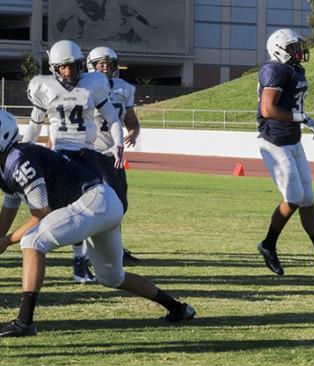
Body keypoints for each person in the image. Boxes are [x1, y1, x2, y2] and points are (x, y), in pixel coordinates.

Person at [0, 110, 194, 338]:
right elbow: (10, 204)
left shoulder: (19, 159)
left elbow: (41, 214)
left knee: (32, 241)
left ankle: (24, 322)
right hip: (101, 203)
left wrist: (5, 241)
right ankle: (178, 308)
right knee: (112, 277)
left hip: (93, 201)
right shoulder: (9, 162)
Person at [23, 39, 127, 283]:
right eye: (63, 67)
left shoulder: (94, 84)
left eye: (72, 66)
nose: (68, 72)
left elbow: (112, 118)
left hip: (87, 154)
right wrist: (23, 150)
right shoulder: (44, 87)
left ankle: (83, 262)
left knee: (92, 209)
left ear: (81, 65)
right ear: (54, 69)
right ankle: (71, 259)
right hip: (60, 156)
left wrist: (119, 143)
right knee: (64, 211)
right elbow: (34, 126)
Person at [255, 28, 314, 276]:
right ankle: (268, 244)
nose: (299, 52)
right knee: (294, 197)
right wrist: (301, 117)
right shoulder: (274, 69)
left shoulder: (294, 70)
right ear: (279, 49)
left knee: (308, 200)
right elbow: (268, 109)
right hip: (275, 142)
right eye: (293, 48)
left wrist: (300, 121)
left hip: (292, 141)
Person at [88, 45, 141, 264]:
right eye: (101, 64)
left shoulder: (123, 88)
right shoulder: (84, 88)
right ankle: (94, 252)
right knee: (102, 204)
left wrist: (133, 132)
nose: (105, 68)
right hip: (92, 151)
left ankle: (114, 247)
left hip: (114, 154)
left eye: (109, 64)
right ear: (92, 66)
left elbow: (131, 120)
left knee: (120, 204)